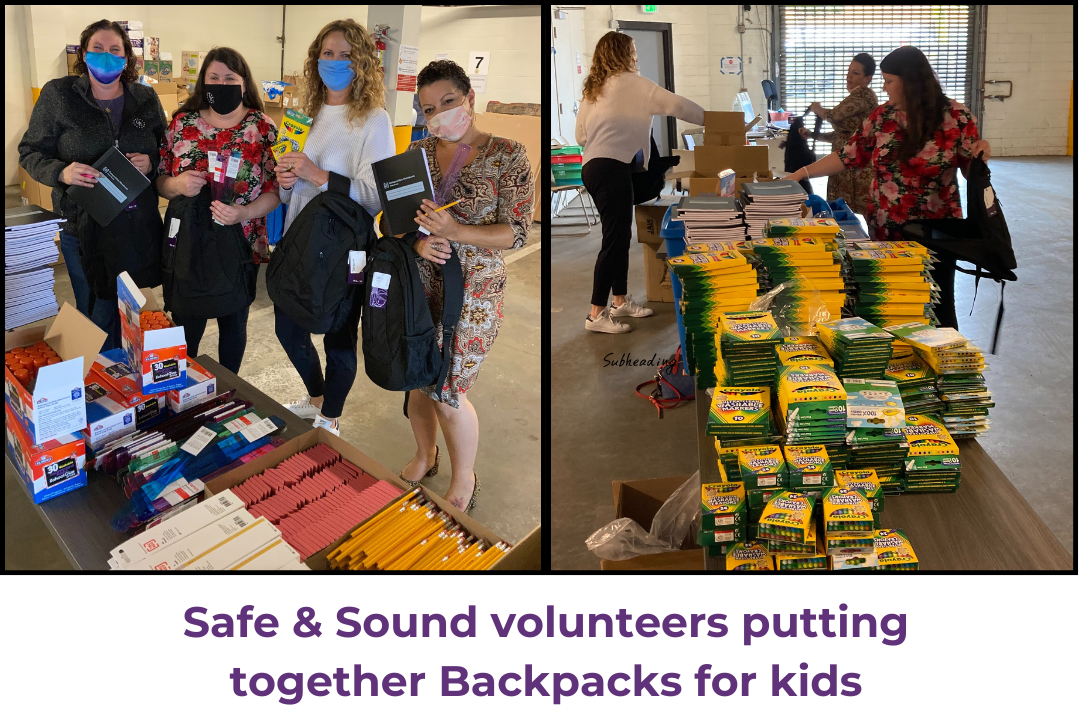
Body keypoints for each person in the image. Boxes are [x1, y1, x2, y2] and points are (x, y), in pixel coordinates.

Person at [782, 46, 992, 329]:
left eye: (889, 80)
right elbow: (848, 155)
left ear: (911, 80)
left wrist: (980, 154)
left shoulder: (956, 117)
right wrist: (801, 173)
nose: (884, 87)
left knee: (939, 306)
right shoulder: (883, 117)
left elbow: (969, 172)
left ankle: (944, 364)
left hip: (938, 233)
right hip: (888, 231)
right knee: (891, 307)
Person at [403, 59, 533, 513]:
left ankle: (465, 477)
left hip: (474, 291)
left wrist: (457, 232)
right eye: (428, 108)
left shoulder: (508, 153)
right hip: (420, 286)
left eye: (448, 102)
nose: (438, 114)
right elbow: (399, 221)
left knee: (448, 388)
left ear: (470, 98)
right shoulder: (418, 151)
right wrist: (418, 246)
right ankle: (426, 453)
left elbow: (517, 231)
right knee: (417, 380)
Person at [273, 19, 396, 436]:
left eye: (346, 55)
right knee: (287, 325)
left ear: (362, 62)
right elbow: (292, 192)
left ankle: (331, 417)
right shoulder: (305, 114)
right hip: (300, 238)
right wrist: (287, 183)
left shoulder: (374, 120)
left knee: (339, 335)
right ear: (316, 59)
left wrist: (317, 173)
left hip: (347, 249)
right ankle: (317, 396)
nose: (336, 61)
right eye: (328, 53)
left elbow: (375, 197)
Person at [19, 19, 166, 350]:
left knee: (133, 312)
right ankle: (98, 382)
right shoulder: (59, 95)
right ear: (83, 55)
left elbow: (166, 149)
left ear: (127, 59)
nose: (106, 56)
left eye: (115, 50)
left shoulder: (144, 97)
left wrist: (152, 163)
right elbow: (30, 152)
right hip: (81, 227)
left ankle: (128, 385)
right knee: (96, 316)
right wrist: (62, 172)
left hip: (135, 225)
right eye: (97, 49)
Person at [155, 47, 281, 374]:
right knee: (186, 326)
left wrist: (244, 212)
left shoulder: (262, 127)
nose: (221, 84)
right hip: (188, 244)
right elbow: (160, 181)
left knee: (234, 322)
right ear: (203, 82)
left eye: (230, 78)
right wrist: (177, 185)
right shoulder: (182, 124)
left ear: (243, 84)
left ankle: (228, 389)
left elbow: (276, 190)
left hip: (240, 241)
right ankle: (181, 392)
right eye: (214, 78)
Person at [576, 31, 705, 334]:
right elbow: (679, 106)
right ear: (625, 54)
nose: (636, 55)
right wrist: (716, 119)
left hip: (594, 167)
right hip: (611, 169)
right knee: (614, 239)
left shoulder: (593, 89)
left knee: (620, 236)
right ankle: (596, 314)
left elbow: (581, 136)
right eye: (633, 50)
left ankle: (619, 300)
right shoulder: (637, 85)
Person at [799, 53, 879, 216]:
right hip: (844, 164)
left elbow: (834, 115)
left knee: (850, 212)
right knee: (841, 210)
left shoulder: (863, 95)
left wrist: (816, 108)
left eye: (855, 73)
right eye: (849, 72)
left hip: (854, 167)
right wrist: (814, 135)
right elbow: (844, 134)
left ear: (867, 78)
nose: (849, 77)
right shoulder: (856, 96)